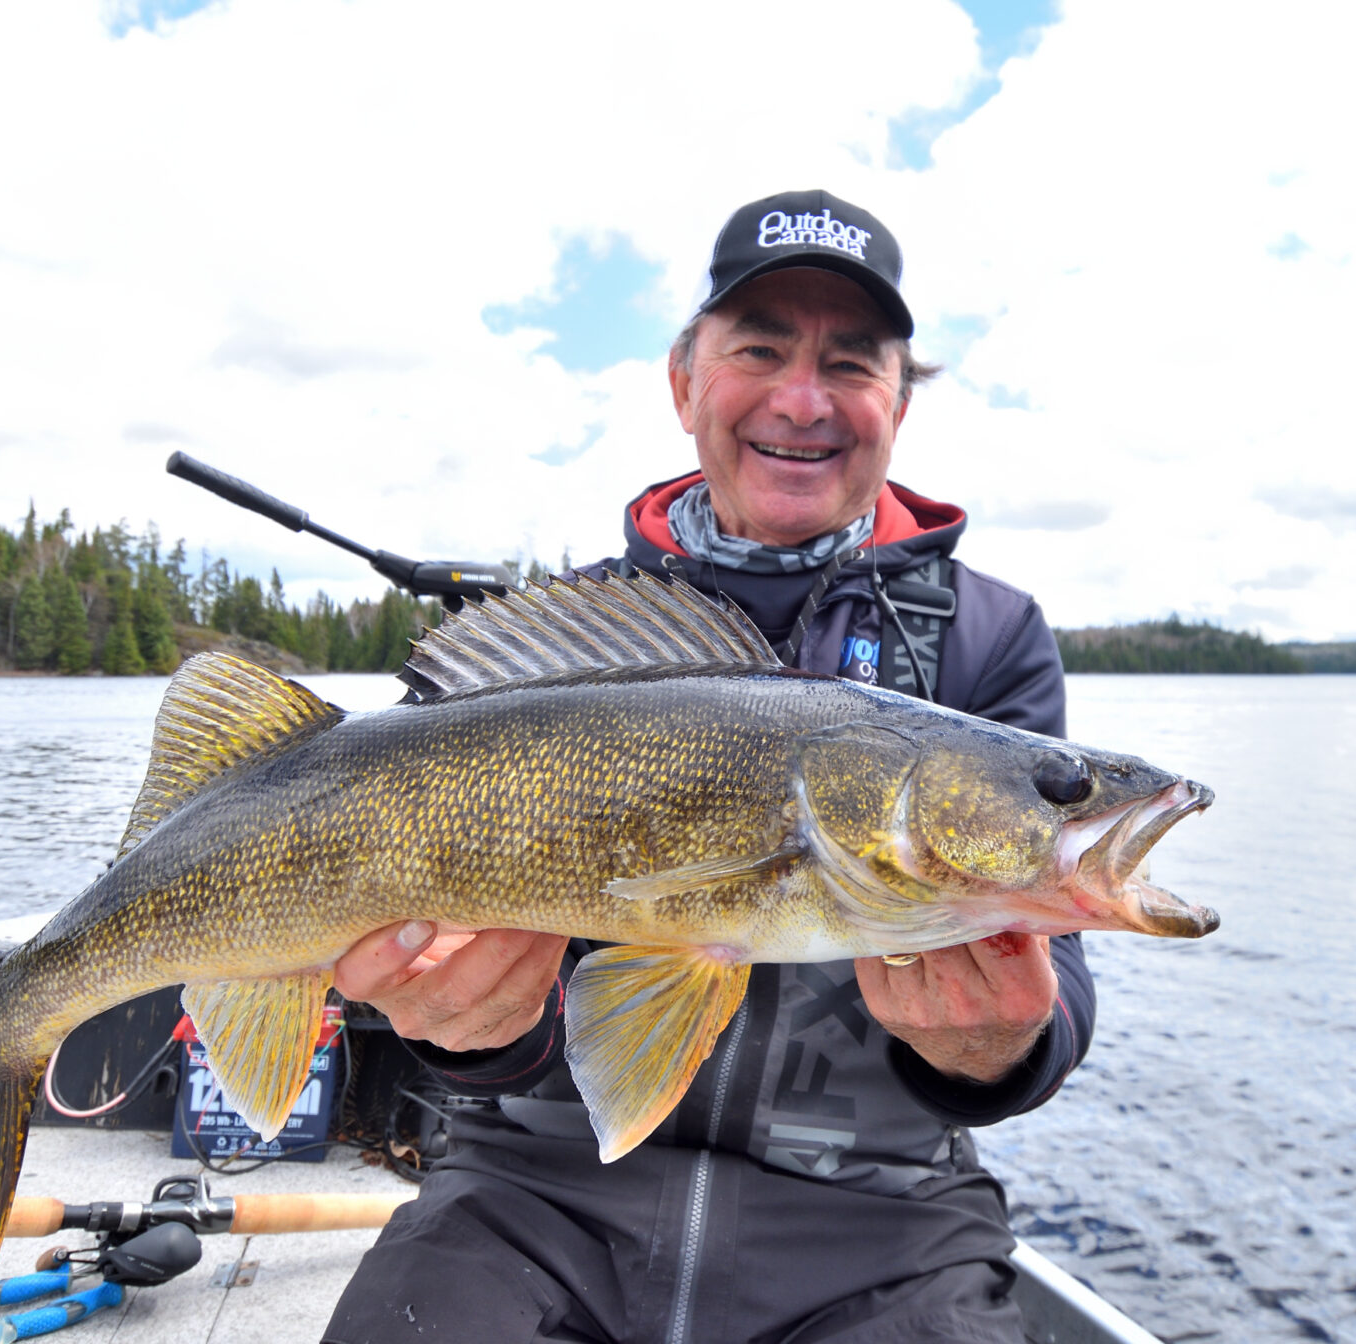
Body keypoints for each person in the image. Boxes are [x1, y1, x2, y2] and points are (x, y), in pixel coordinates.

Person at [323, 190, 1086, 1344]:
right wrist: (457, 1021)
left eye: (852, 361)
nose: (801, 398)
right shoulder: (558, 648)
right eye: (760, 349)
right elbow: (436, 969)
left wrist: (995, 1047)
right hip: (538, 1196)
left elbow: (1055, 994)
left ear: (900, 401)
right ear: (684, 382)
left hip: (880, 1228)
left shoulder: (987, 640)